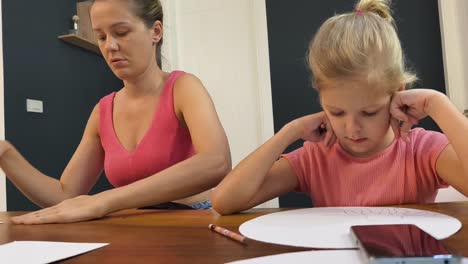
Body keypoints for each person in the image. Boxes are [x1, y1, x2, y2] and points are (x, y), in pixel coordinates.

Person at [211, 0, 468, 215]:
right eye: (336, 112)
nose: (352, 128)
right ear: (320, 98)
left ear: (397, 95)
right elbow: (225, 202)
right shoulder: (317, 157)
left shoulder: (420, 151)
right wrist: (290, 131)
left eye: (369, 112)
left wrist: (437, 103)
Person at [0, 0, 231, 224]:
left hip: (193, 221)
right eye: (101, 36)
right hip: (134, 226)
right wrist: (6, 154)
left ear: (156, 32)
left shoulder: (183, 87)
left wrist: (106, 200)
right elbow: (65, 194)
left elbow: (216, 162)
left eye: (121, 32)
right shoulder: (102, 112)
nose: (109, 46)